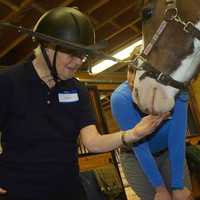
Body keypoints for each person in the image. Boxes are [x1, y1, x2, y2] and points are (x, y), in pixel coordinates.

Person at [0, 7, 170, 200]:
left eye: (83, 55)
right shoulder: (8, 83)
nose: (78, 61)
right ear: (47, 46)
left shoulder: (77, 90)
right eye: (72, 54)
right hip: (19, 192)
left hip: (69, 191)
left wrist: (133, 134)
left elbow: (92, 142)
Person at [111, 64, 193, 200]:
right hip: (137, 157)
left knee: (183, 195)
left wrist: (178, 186)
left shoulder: (177, 91)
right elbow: (140, 145)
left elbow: (177, 138)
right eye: (131, 70)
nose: (132, 79)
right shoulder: (121, 98)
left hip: (168, 153)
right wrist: (159, 189)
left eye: (140, 75)